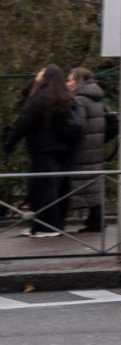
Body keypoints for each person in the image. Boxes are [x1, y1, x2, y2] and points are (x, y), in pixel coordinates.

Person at [3, 65, 84, 237]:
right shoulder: (68, 98)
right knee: (59, 187)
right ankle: (57, 225)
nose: (38, 74)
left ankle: (44, 227)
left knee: (41, 188)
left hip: (42, 150)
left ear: (46, 77)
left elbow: (24, 123)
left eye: (41, 72)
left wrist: (9, 144)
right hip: (64, 151)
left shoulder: (41, 99)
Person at [65, 67, 113, 233]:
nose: (67, 83)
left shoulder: (79, 100)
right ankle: (95, 220)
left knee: (82, 183)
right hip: (95, 147)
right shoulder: (96, 99)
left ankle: (94, 221)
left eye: (70, 80)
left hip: (82, 149)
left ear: (78, 81)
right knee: (93, 184)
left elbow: (79, 126)